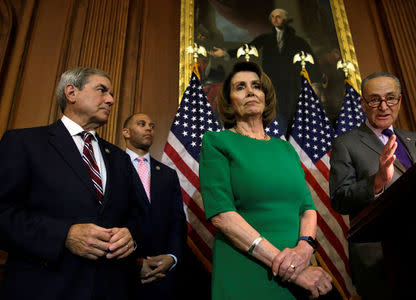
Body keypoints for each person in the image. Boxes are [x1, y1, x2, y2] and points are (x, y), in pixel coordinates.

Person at [0, 67, 142, 300]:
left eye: (112, 94)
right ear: (71, 92)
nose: (111, 100)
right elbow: (3, 213)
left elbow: (137, 215)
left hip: (110, 288)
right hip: (44, 287)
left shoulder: (119, 157)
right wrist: (63, 235)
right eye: (102, 90)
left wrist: (131, 236)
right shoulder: (24, 143)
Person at [199, 61, 332, 299]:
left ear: (265, 96)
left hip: (298, 268)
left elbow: (307, 208)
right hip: (246, 270)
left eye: (256, 86)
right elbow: (222, 215)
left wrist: (303, 249)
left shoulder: (286, 149)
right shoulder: (216, 142)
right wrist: (291, 270)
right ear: (229, 101)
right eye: (240, 87)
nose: (250, 91)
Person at [329, 72, 416, 299]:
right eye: (374, 99)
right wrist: (377, 182)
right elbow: (339, 199)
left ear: (400, 101)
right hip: (380, 258)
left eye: (390, 98)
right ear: (363, 104)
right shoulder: (346, 143)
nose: (383, 106)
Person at [210, 8, 321, 135]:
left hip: (292, 86)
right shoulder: (266, 38)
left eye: (278, 16)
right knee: (276, 116)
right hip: (272, 84)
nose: (275, 19)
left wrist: (315, 84)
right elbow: (249, 47)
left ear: (286, 19)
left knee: (292, 116)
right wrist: (225, 53)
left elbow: (312, 63)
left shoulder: (298, 41)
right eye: (272, 17)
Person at [122, 113, 187, 300]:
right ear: (126, 132)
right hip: (123, 274)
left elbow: (177, 221)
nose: (149, 128)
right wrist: (133, 263)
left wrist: (172, 257)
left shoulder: (168, 174)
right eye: (141, 124)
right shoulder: (112, 165)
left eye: (152, 125)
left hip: (163, 276)